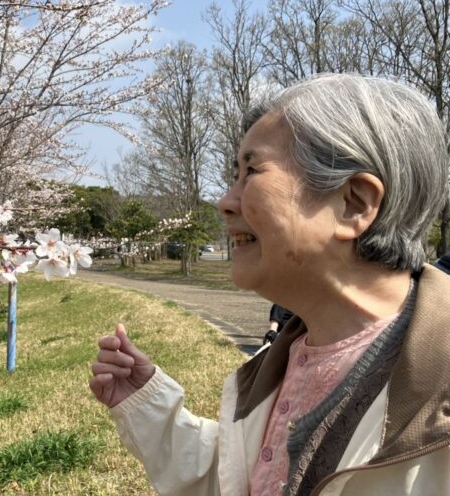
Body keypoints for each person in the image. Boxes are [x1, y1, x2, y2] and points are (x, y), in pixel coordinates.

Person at [89, 74, 450, 495]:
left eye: (251, 171)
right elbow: (248, 478)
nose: (225, 202)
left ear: (354, 203)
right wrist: (150, 409)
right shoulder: (281, 361)